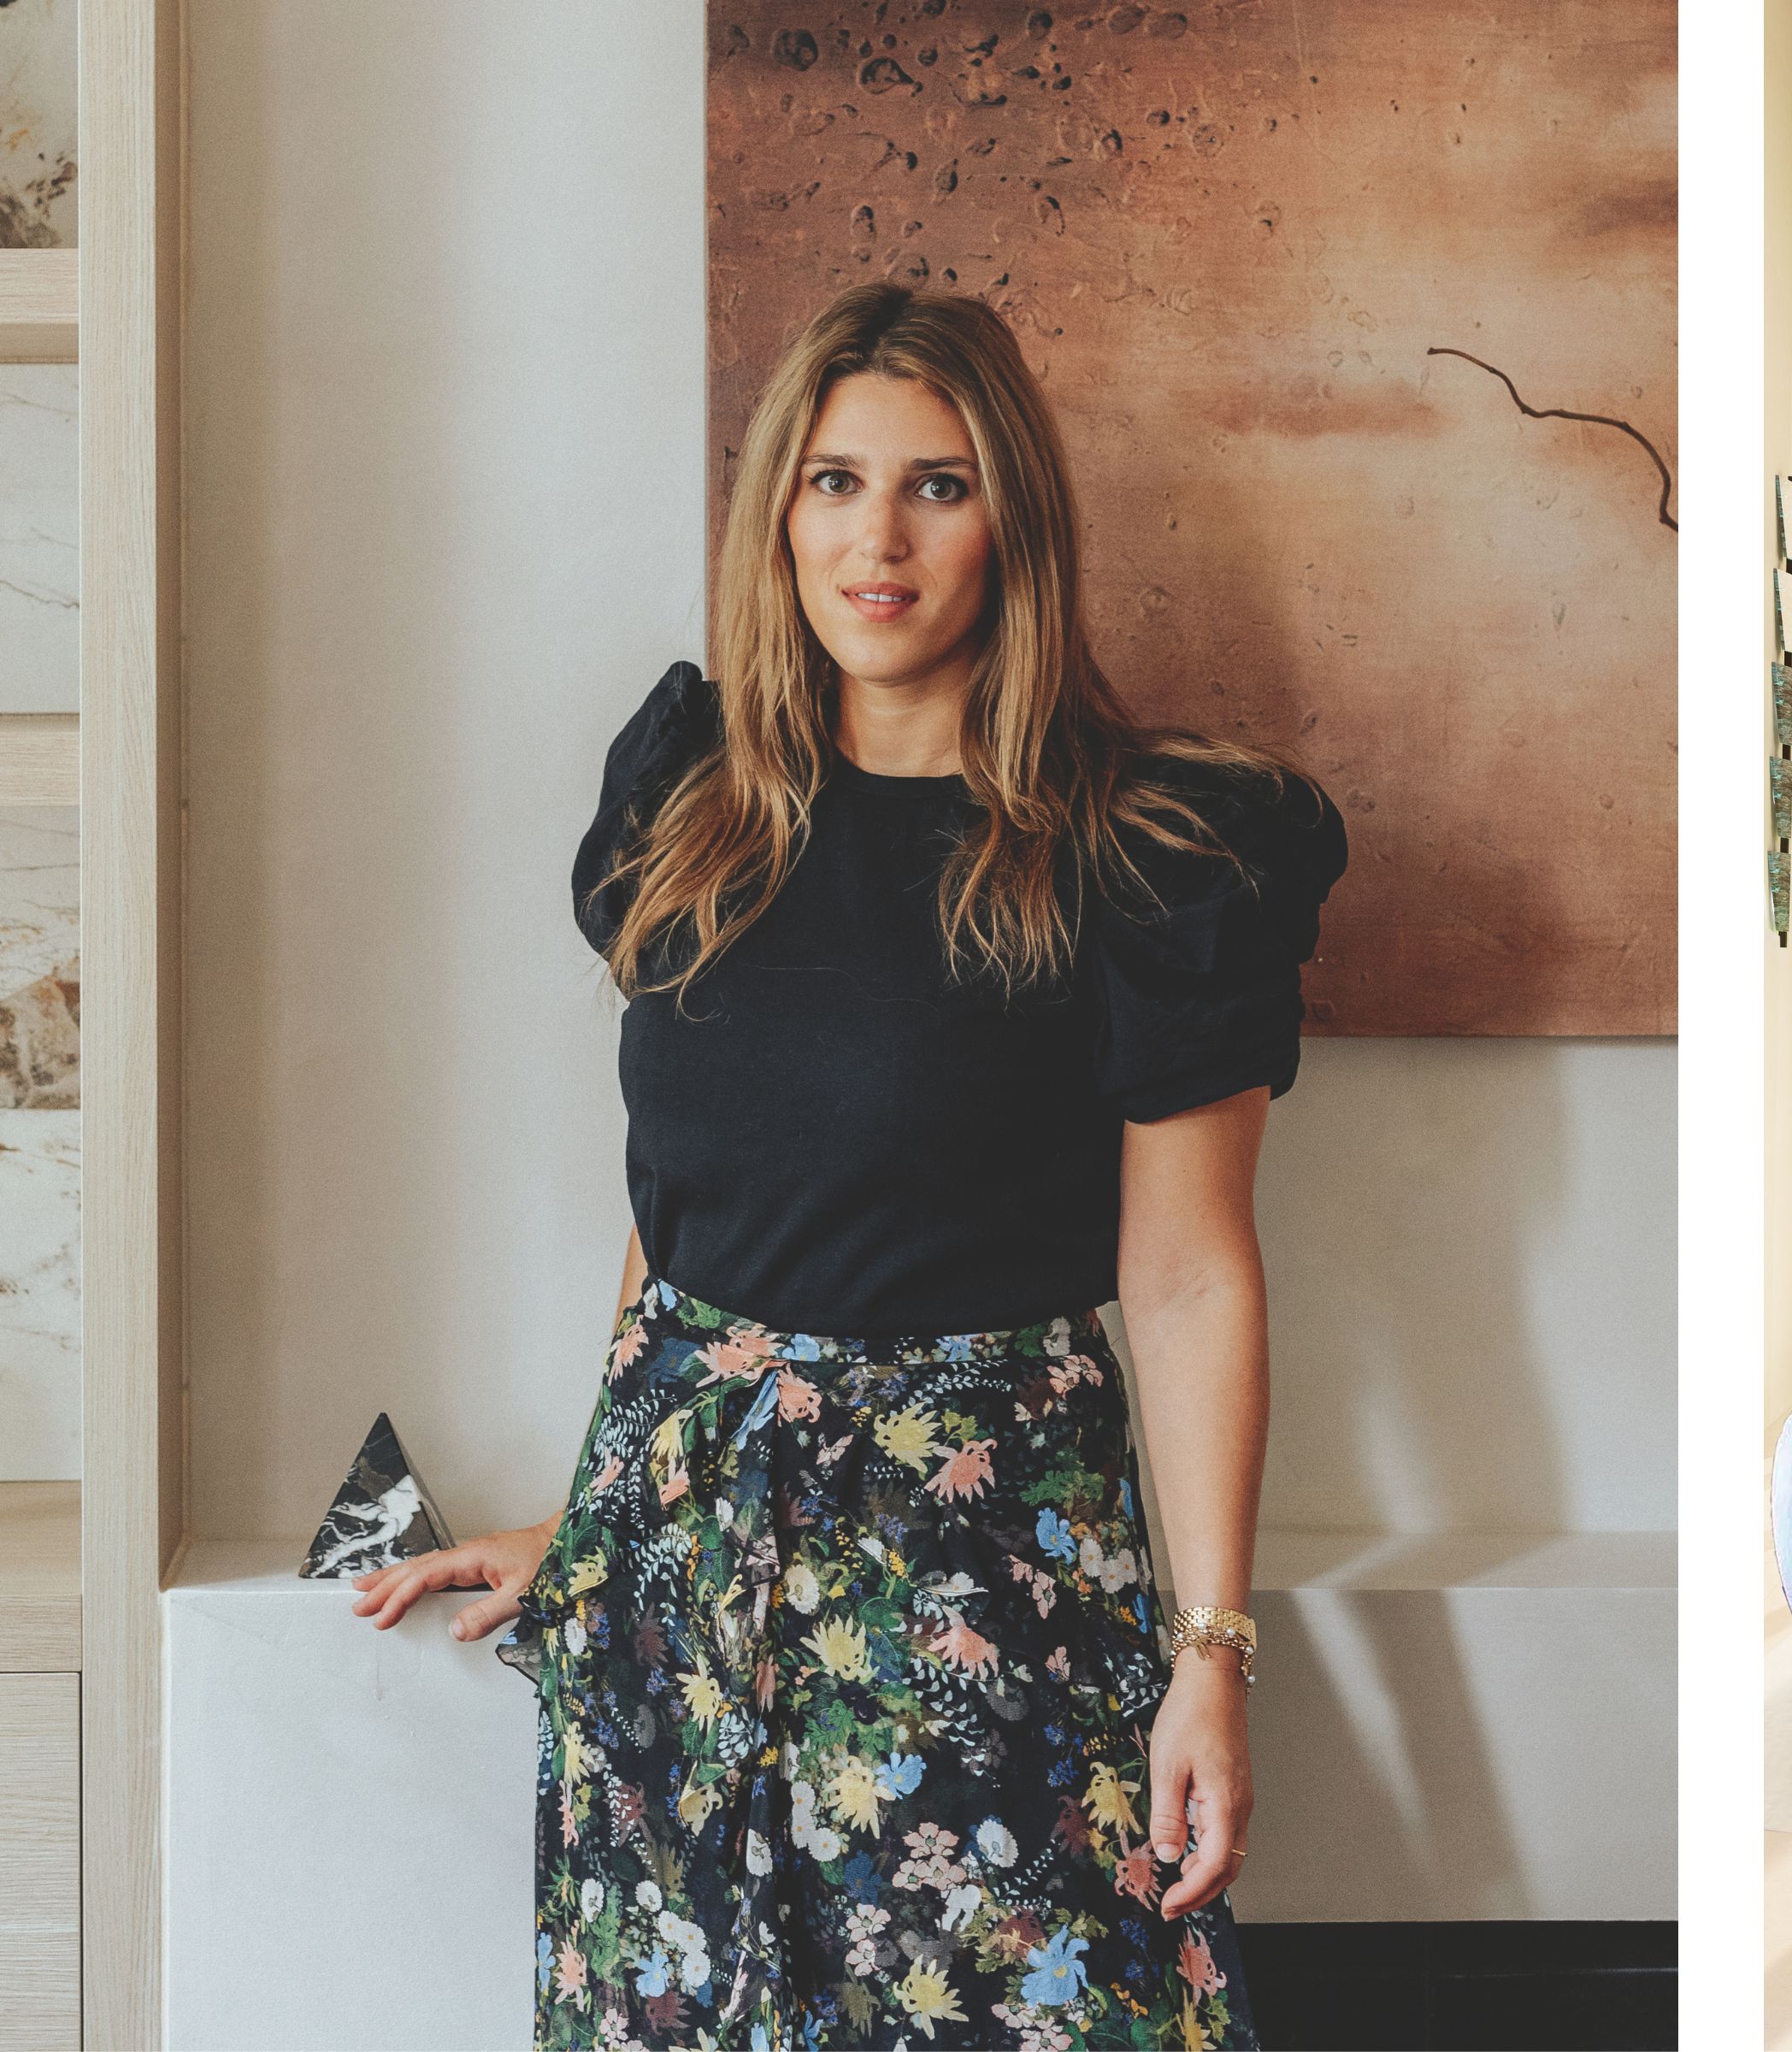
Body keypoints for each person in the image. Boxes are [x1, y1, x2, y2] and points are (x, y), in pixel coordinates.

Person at [345, 280, 1343, 2050]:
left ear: (1011, 519)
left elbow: (1188, 1275)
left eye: (936, 486)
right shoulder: (690, 805)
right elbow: (675, 1236)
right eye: (830, 481)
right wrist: (597, 1526)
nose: (874, 538)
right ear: (775, 513)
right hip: (677, 1579)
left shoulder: (1148, 852)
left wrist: (1212, 1652)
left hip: (984, 1585)